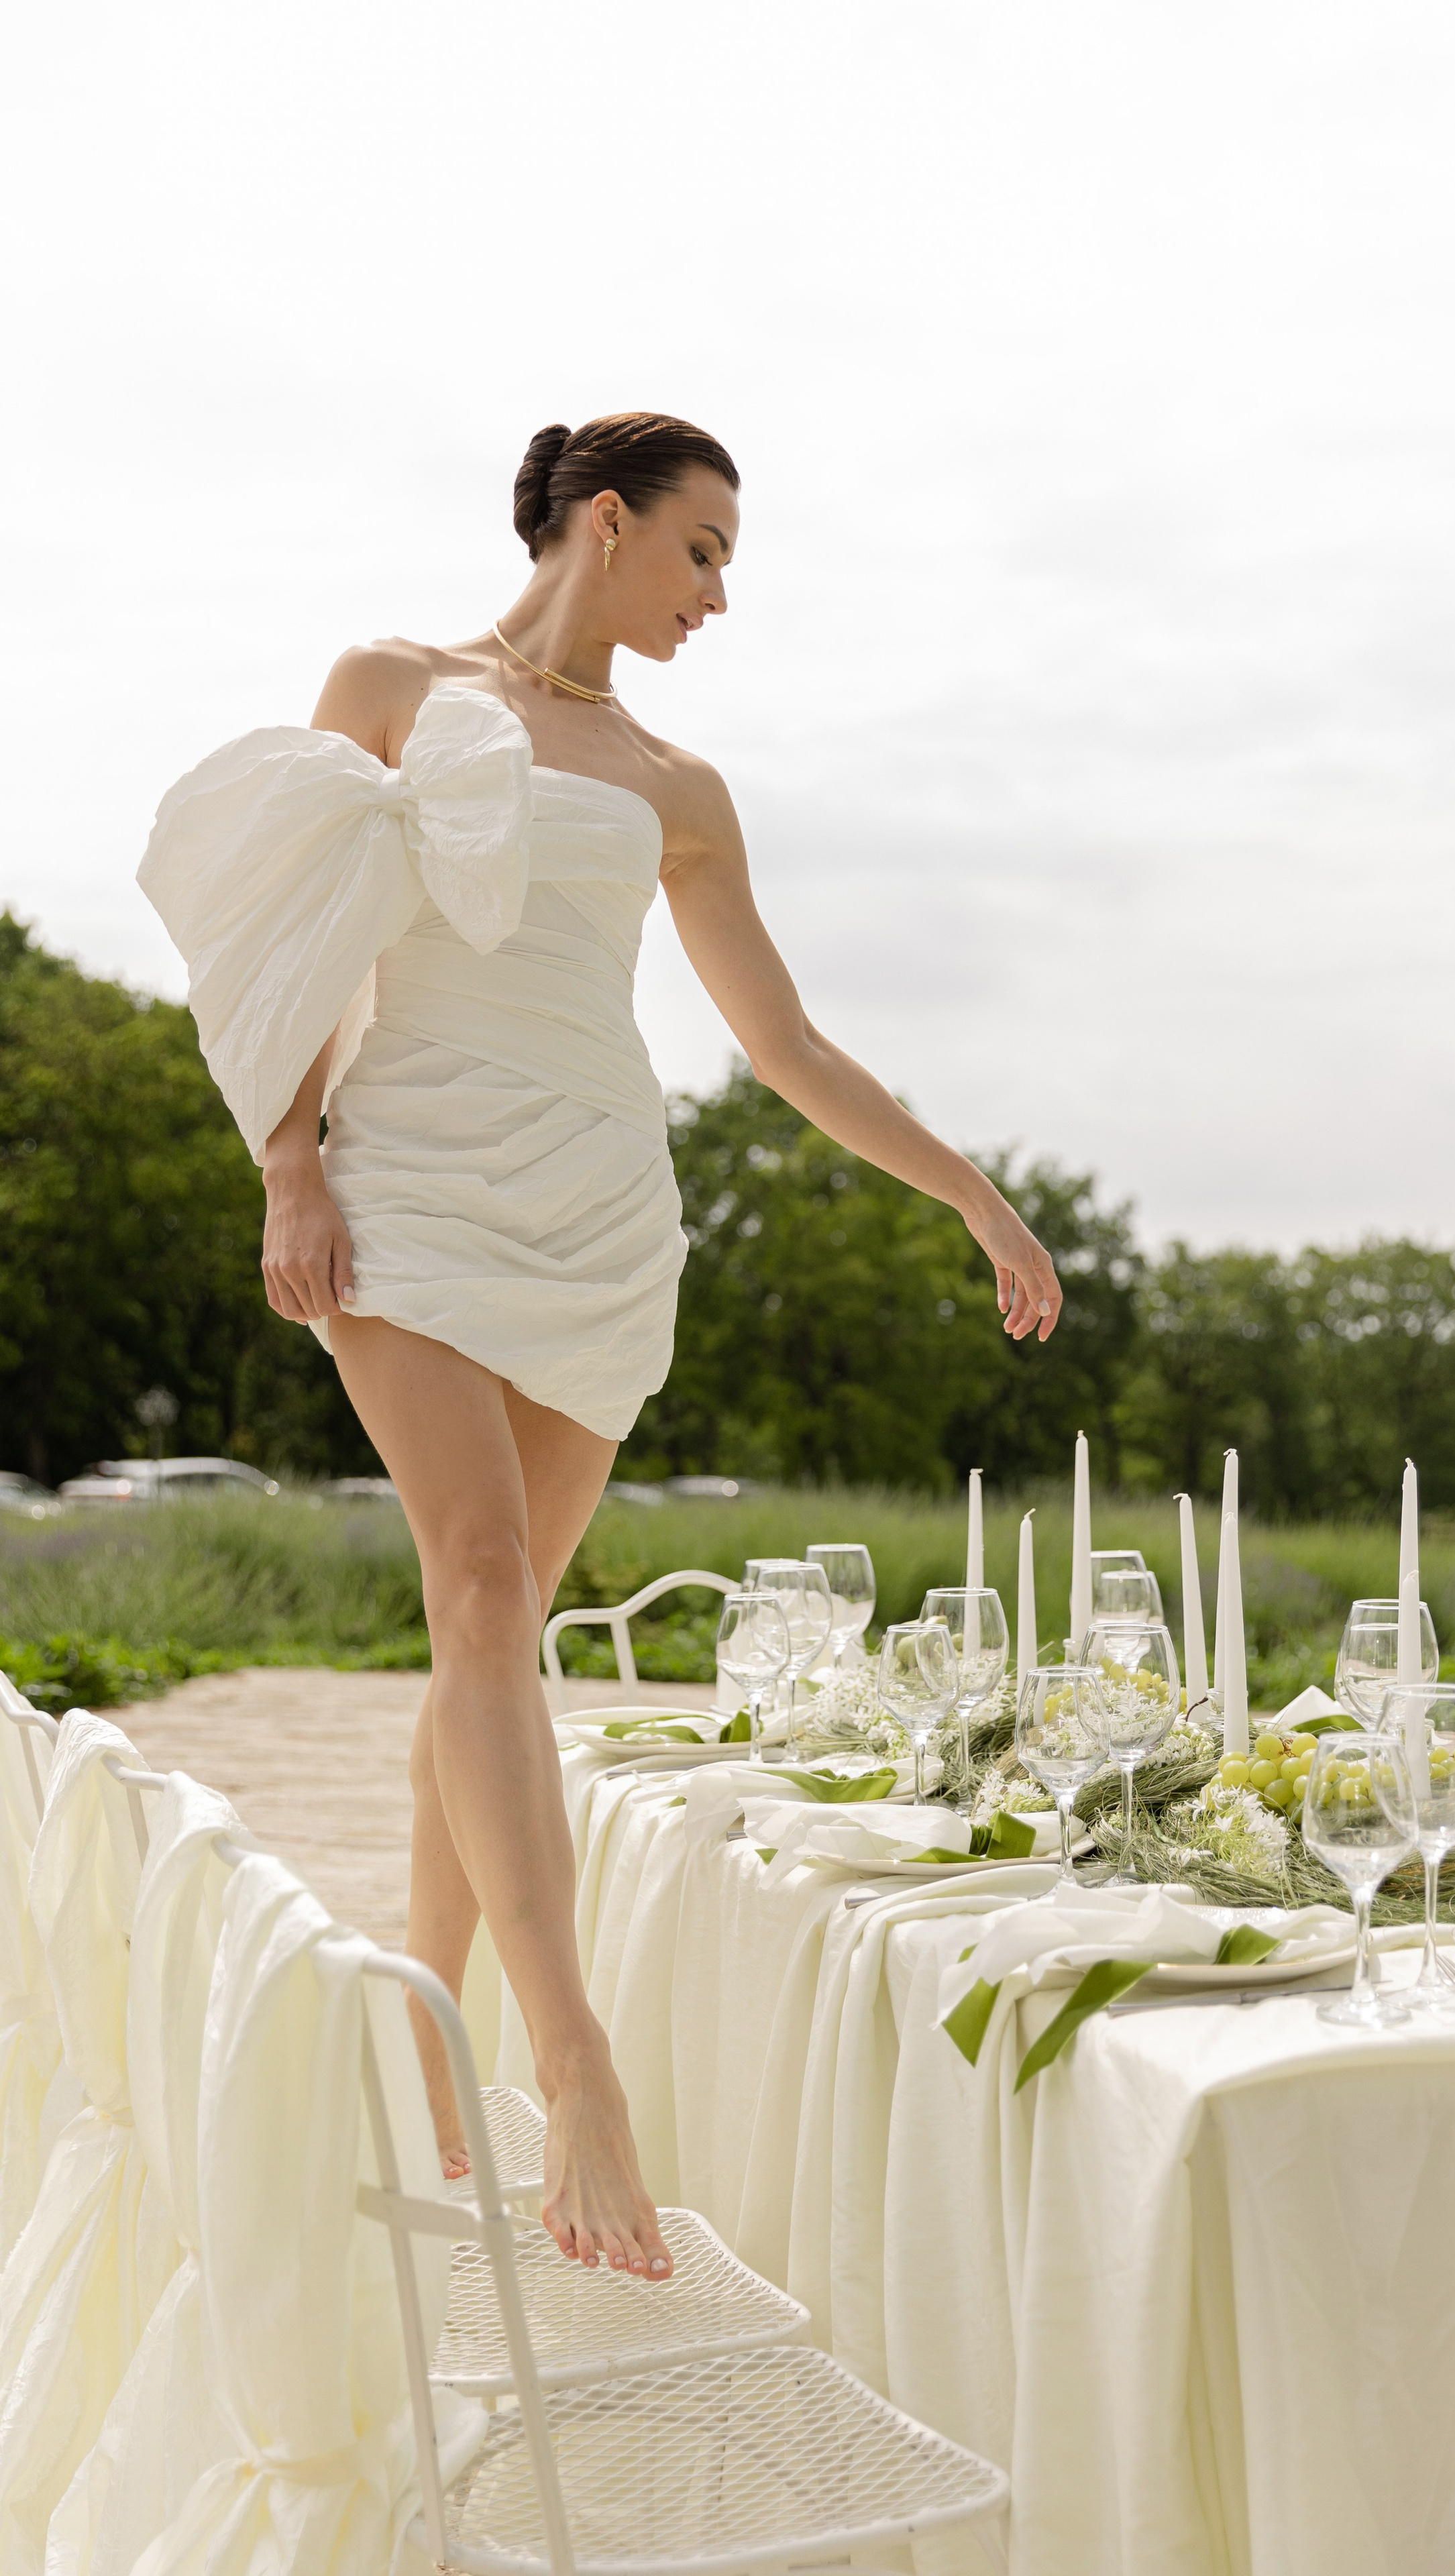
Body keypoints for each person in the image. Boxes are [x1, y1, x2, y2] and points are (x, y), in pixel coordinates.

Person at [139, 411, 1064, 2283]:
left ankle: (428, 2022)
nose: (722, 594)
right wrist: (288, 1170)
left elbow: (786, 1049)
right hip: (410, 1189)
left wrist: (973, 1195)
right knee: (477, 1590)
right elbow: (285, 952)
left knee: (494, 1634)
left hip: (600, 1221)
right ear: (612, 522)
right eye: (706, 552)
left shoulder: (681, 783)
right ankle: (577, 2071)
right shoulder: (387, 683)